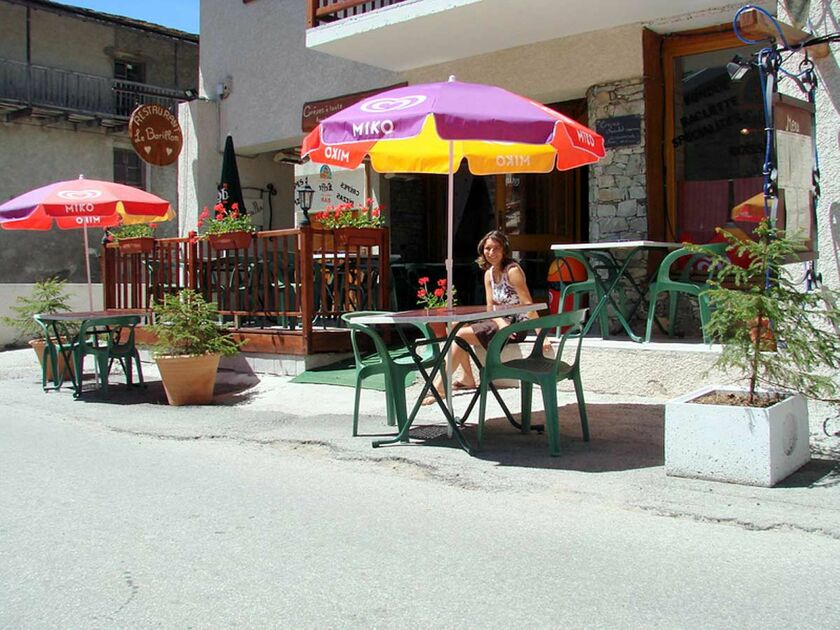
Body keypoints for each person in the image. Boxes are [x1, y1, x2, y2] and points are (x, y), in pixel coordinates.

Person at [423, 229, 546, 405]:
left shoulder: (512, 271)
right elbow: (491, 308)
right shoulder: (488, 273)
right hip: (498, 320)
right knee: (455, 325)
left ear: (504, 250)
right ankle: (467, 377)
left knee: (460, 335)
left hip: (515, 324)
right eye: (487, 248)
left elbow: (528, 304)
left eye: (496, 248)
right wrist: (498, 320)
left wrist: (542, 336)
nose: (491, 252)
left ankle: (440, 387)